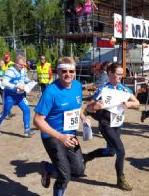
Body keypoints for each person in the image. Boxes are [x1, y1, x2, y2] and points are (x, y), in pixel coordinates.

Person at [34, 57, 89, 196]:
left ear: (75, 72)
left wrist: (83, 118)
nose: (68, 74)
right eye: (64, 71)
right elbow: (37, 120)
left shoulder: (77, 85)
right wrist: (60, 136)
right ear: (57, 71)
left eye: (71, 71)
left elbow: (76, 106)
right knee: (64, 176)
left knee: (78, 170)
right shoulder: (50, 92)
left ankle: (46, 167)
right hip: (53, 136)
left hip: (70, 134)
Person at [84, 63, 140, 191]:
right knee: (121, 150)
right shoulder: (103, 89)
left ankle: (87, 157)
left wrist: (129, 104)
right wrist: (95, 107)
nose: (121, 76)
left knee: (111, 152)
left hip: (117, 124)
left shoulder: (123, 89)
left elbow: (137, 103)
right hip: (106, 124)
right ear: (110, 73)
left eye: (122, 74)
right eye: (118, 74)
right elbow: (88, 107)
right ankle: (120, 179)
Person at [0, 56, 35, 137]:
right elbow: (4, 82)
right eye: (21, 65)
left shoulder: (23, 70)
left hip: (20, 96)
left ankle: (27, 130)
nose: (22, 66)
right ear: (16, 63)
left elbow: (25, 79)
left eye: (23, 65)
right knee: (5, 112)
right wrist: (16, 86)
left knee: (27, 110)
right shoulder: (10, 71)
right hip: (9, 96)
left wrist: (30, 82)